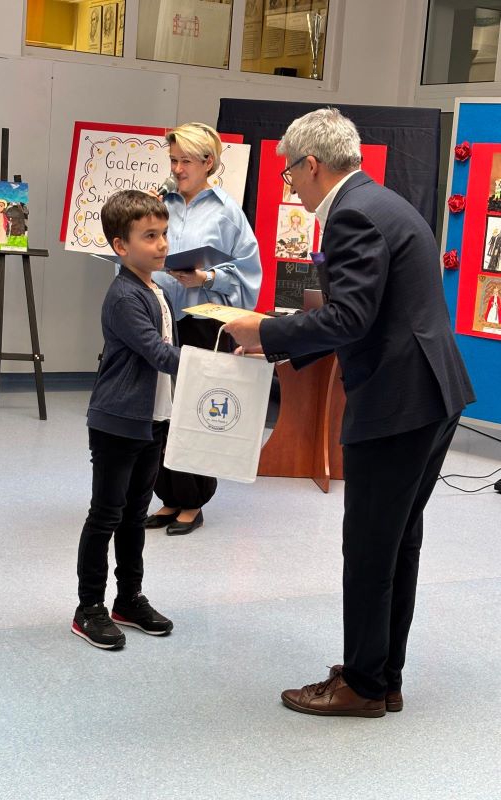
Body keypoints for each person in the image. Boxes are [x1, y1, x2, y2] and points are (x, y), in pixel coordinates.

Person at [224, 108, 475, 717]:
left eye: (289, 172)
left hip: (398, 401)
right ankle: (382, 675)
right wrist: (280, 342)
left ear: (312, 164)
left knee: (368, 547)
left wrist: (266, 331)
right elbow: (373, 313)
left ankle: (362, 686)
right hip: (430, 393)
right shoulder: (383, 202)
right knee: (396, 542)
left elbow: (349, 317)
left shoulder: (352, 214)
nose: (289, 184)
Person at [71, 190, 180, 650]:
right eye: (149, 236)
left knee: (135, 515)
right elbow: (158, 353)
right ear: (120, 245)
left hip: (152, 420)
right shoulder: (124, 296)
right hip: (118, 421)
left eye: (164, 233)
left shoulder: (157, 289)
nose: (162, 244)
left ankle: (128, 599)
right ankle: (89, 608)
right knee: (106, 515)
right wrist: (215, 368)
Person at [146, 121, 262, 536]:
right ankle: (168, 496)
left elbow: (249, 272)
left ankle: (193, 501)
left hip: (202, 322)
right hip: (160, 318)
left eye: (186, 162)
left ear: (208, 162)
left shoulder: (227, 212)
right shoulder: (160, 203)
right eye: (173, 160)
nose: (177, 169)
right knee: (160, 410)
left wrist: (207, 277)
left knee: (195, 409)